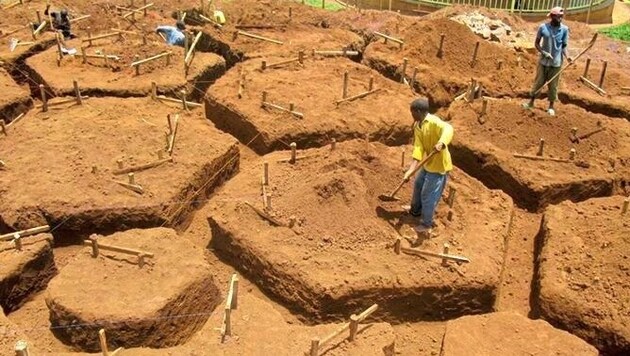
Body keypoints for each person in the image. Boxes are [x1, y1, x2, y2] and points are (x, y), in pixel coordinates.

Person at [404, 98, 454, 237]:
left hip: (438, 166)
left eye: (412, 112)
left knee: (428, 195)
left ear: (418, 111)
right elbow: (418, 147)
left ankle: (426, 224)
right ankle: (415, 211)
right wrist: (410, 169)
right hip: (427, 164)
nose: (411, 115)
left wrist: (442, 143)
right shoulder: (417, 126)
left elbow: (448, 128)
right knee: (418, 185)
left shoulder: (433, 121)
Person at [522, 7, 572, 117]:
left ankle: (551, 106)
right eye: (558, 17)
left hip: (556, 63)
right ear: (552, 17)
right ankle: (531, 102)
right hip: (543, 62)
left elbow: (564, 46)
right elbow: (536, 44)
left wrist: (568, 57)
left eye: (561, 17)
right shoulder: (543, 28)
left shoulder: (564, 30)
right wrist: (544, 53)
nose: (560, 19)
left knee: (553, 85)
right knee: (538, 82)